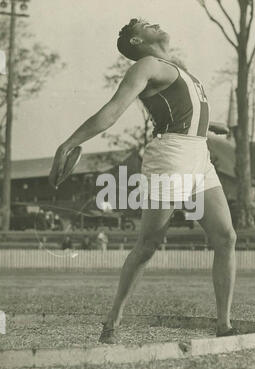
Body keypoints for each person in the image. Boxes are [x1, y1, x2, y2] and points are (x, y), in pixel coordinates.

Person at [49, 18, 237, 343]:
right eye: (147, 24)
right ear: (137, 42)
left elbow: (176, 116)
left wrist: (207, 126)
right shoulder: (146, 64)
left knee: (226, 238)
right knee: (148, 245)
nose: (157, 24)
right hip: (171, 157)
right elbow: (113, 110)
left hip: (198, 155)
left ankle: (224, 323)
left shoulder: (174, 68)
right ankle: (113, 320)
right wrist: (67, 144)